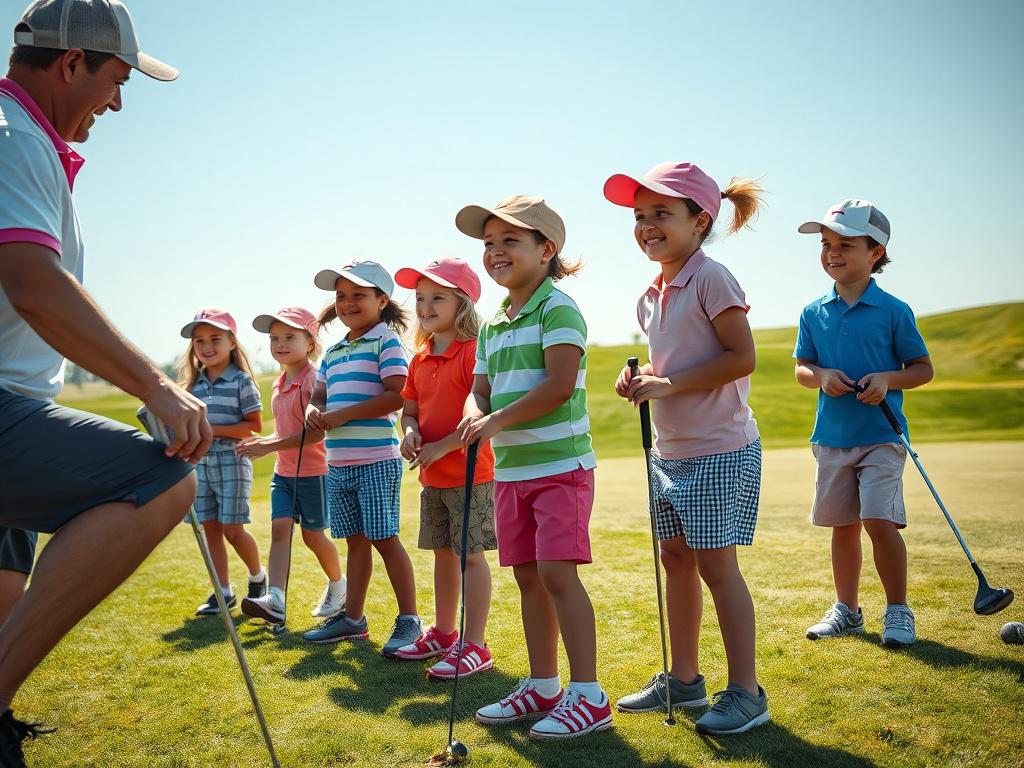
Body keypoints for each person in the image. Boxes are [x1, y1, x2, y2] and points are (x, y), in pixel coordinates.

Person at [0, 2, 204, 765]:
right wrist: (156, 386)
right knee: (161, 480)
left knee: (6, 605)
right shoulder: (14, 137)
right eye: (116, 80)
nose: (116, 103)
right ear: (70, 64)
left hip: (20, 404)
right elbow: (35, 285)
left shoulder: (24, 138)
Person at [608, 162, 770, 735]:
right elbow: (673, 366)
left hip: (719, 448)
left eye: (662, 213)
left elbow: (741, 358)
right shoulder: (649, 296)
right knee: (675, 559)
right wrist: (641, 378)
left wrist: (667, 383)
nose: (646, 225)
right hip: (670, 452)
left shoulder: (711, 278)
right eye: (639, 215)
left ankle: (746, 692)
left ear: (699, 221)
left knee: (716, 568)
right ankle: (684, 680)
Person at [456, 196, 611, 740]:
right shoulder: (492, 324)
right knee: (527, 577)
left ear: (546, 251)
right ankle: (544, 685)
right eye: (488, 243)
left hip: (561, 466)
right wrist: (474, 413)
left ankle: (588, 695)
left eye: (509, 241)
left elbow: (559, 385)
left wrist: (494, 420)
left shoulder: (558, 309)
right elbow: (479, 390)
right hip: (512, 472)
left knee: (556, 575)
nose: (495, 251)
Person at [794, 200, 933, 648]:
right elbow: (802, 368)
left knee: (878, 520)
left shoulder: (893, 310)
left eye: (845, 244)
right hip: (832, 437)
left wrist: (888, 379)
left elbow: (922, 369)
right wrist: (821, 376)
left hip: (881, 436)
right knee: (844, 526)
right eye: (826, 243)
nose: (832, 252)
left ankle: (898, 610)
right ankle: (847, 610)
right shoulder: (813, 311)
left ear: (875, 253)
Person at [301, 261, 422, 657]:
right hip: (339, 462)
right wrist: (313, 411)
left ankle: (409, 619)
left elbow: (397, 395)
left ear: (382, 300)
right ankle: (353, 619)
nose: (347, 302)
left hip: (376, 459)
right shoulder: (334, 351)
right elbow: (319, 395)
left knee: (384, 538)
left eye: (358, 295)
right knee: (355, 541)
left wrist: (343, 416)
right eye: (341, 296)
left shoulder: (386, 342)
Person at [393, 258, 497, 679]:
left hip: (471, 476)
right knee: (442, 555)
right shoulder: (419, 359)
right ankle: (444, 633)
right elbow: (409, 411)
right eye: (420, 299)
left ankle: (475, 645)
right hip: (432, 476)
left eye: (438, 298)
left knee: (469, 557)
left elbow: (481, 412)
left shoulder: (473, 352)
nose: (426, 307)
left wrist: (441, 447)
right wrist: (410, 433)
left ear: (463, 304)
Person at [238, 307, 346, 626]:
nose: (280, 344)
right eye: (274, 338)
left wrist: (269, 446)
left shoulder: (314, 380)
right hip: (283, 474)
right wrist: (264, 441)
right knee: (279, 530)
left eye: (289, 337)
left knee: (313, 537)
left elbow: (315, 434)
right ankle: (275, 599)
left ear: (310, 343)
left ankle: (338, 585)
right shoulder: (279, 382)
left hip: (314, 474)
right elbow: (285, 432)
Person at [178, 309, 267, 615]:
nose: (207, 346)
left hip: (233, 460)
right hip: (200, 464)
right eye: (199, 340)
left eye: (215, 338)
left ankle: (258, 576)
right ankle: (223, 591)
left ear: (232, 342)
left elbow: (253, 426)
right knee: (210, 530)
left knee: (232, 530)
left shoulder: (242, 381)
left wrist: (208, 429)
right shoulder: (192, 386)